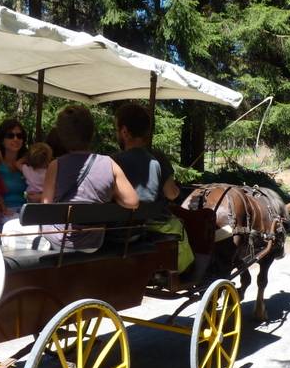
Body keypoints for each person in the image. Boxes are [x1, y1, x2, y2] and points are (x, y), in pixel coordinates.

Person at [42, 105, 138, 251]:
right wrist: (111, 194)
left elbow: (45, 209)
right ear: (91, 133)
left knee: (11, 227)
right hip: (94, 242)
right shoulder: (110, 164)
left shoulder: (55, 166)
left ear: (62, 136)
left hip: (59, 241)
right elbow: (132, 201)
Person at [113, 102, 194, 273]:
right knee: (180, 226)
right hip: (154, 225)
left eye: (116, 130)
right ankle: (183, 271)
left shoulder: (112, 161)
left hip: (120, 229)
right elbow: (171, 194)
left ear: (125, 132)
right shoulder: (156, 159)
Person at [0, 119, 28, 217]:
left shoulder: (27, 164)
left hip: (24, 211)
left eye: (19, 136)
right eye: (10, 136)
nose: (16, 139)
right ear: (2, 140)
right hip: (2, 213)